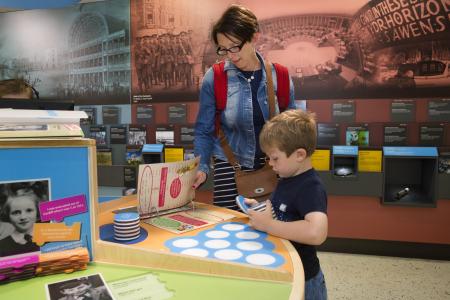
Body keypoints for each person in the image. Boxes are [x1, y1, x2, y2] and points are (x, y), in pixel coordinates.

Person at [193, 5, 295, 210]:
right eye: (223, 48)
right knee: (227, 232)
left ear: (254, 37)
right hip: (228, 166)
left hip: (272, 167)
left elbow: (292, 131)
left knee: (271, 231)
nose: (230, 55)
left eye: (235, 46)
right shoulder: (215, 78)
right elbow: (204, 130)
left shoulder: (280, 77)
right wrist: (202, 167)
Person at [245, 109, 328, 300]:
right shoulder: (286, 177)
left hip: (305, 281)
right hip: (285, 271)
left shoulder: (310, 186)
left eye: (275, 158)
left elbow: (317, 232)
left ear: (299, 154)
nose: (270, 164)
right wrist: (260, 207)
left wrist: (269, 225)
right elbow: (285, 212)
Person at [0, 182, 46, 257]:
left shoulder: (49, 237)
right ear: (8, 215)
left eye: (29, 210)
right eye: (16, 212)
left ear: (37, 210)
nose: (23, 217)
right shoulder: (2, 246)